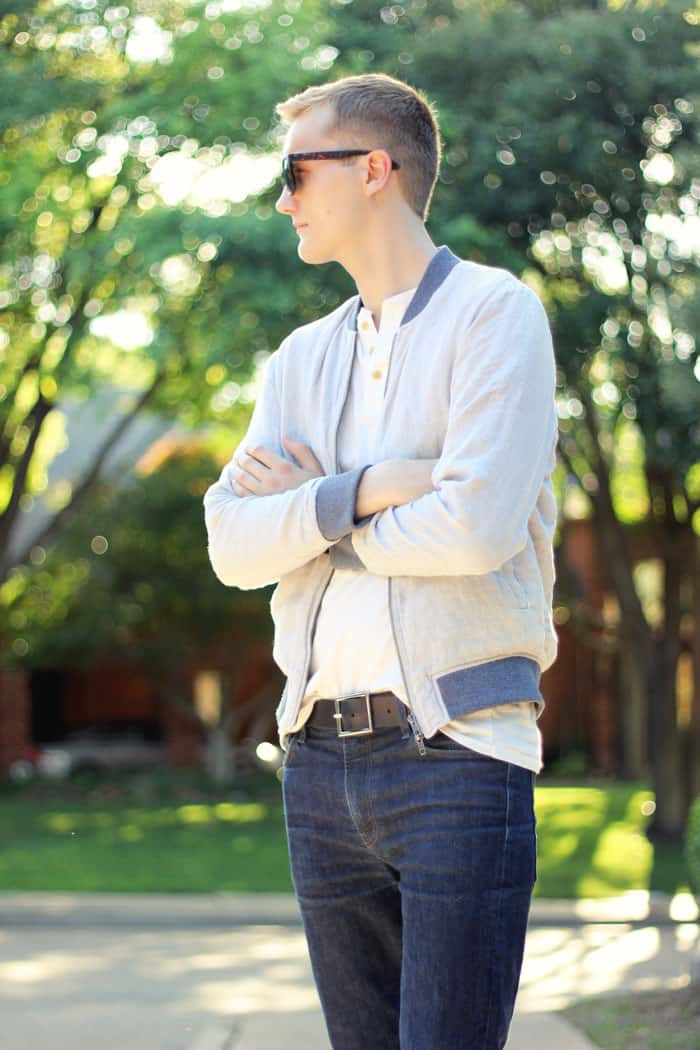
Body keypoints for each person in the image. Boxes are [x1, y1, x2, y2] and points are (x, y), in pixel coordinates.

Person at [204, 72, 559, 1050]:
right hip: (316, 764)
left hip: (456, 750)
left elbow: (477, 528)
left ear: (372, 170)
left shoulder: (495, 315)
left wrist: (313, 531)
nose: (282, 200)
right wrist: (363, 490)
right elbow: (231, 544)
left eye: (294, 173)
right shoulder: (296, 360)